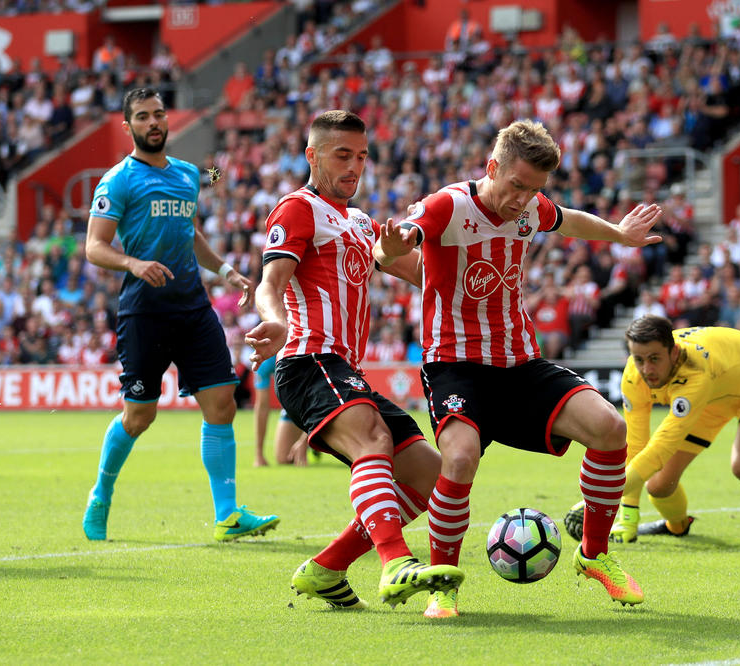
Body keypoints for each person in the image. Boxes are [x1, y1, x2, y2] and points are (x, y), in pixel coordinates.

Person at [374, 119, 663, 618]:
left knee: (610, 428)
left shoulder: (530, 207)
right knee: (458, 460)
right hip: (456, 366)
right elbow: (394, 243)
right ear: (492, 168)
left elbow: (568, 220)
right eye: (517, 185)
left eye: (534, 189)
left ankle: (594, 555)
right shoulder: (449, 205)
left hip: (519, 363)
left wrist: (618, 233)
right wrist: (391, 249)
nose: (523, 199)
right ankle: (444, 585)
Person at [245, 110, 464, 609]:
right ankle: (396, 562)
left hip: (345, 370)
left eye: (361, 156)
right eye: (342, 155)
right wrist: (275, 321)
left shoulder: (363, 222)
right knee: (373, 440)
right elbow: (269, 283)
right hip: (308, 360)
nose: (354, 166)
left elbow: (426, 276)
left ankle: (327, 569)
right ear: (312, 156)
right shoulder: (297, 209)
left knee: (431, 475)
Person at [81, 88, 279, 542]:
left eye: (158, 114)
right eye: (143, 116)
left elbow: (189, 231)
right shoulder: (117, 181)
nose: (153, 122)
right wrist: (132, 264)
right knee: (139, 417)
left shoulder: (190, 174)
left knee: (222, 403)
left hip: (193, 308)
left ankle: (227, 515)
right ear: (128, 126)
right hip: (144, 313)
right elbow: (94, 247)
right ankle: (101, 493)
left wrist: (226, 271)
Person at [566, 315, 740, 544]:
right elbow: (636, 445)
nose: (647, 369)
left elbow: (660, 448)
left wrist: (600, 498)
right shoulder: (633, 377)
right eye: (639, 359)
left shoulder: (696, 372)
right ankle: (677, 526)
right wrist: (628, 517)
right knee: (659, 486)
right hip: (713, 398)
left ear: (674, 353)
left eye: (655, 359)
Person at [252, 356, 309, 467]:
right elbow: (262, 406)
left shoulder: (300, 353)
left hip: (317, 403)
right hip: (294, 406)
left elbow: (318, 397)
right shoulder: (262, 359)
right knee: (284, 458)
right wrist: (259, 455)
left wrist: (305, 441)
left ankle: (318, 440)